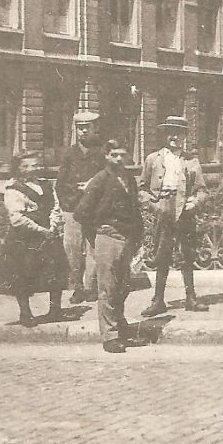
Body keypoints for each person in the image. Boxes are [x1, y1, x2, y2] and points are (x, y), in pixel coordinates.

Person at [74, 139, 145, 354]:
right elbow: (81, 213)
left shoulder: (128, 178)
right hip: (107, 236)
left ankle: (120, 327)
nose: (119, 159)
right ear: (106, 156)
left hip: (127, 237)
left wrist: (138, 235)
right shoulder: (100, 179)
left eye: (123, 155)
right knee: (107, 287)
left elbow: (135, 209)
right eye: (114, 155)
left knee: (123, 285)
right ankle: (110, 336)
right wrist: (97, 234)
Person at [138, 116, 207, 317]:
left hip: (184, 210)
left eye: (179, 132)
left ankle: (191, 298)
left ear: (185, 136)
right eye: (171, 132)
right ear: (165, 135)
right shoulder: (153, 159)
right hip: (163, 209)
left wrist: (194, 202)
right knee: (162, 255)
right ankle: (158, 300)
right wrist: (154, 205)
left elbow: (202, 190)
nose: (175, 136)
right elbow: (141, 190)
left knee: (187, 254)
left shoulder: (192, 161)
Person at [0, 152, 68, 327]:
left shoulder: (46, 184)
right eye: (25, 166)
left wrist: (53, 226)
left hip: (49, 233)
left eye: (34, 165)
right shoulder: (13, 188)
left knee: (55, 270)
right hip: (25, 237)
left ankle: (54, 310)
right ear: (17, 168)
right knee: (23, 275)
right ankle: (26, 314)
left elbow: (56, 207)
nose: (31, 169)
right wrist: (41, 230)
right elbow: (17, 218)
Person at [54, 109, 106, 304]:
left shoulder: (102, 153)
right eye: (79, 128)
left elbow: (108, 179)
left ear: (95, 128)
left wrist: (92, 186)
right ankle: (77, 288)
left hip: (94, 209)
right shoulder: (70, 153)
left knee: (94, 248)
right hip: (73, 209)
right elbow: (60, 183)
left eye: (87, 128)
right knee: (73, 249)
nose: (83, 131)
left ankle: (91, 287)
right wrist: (69, 203)